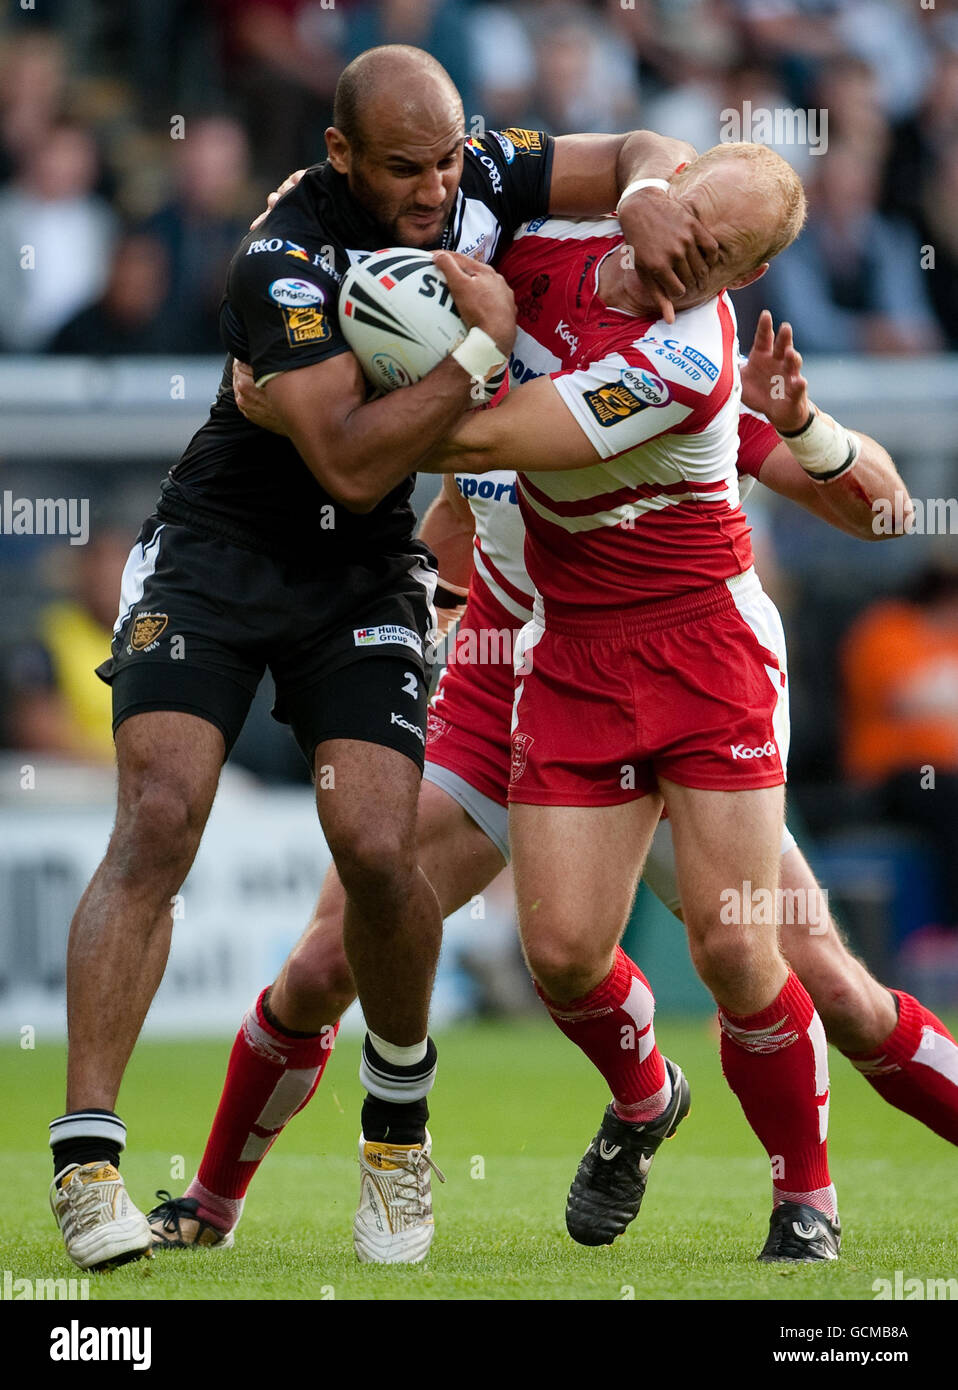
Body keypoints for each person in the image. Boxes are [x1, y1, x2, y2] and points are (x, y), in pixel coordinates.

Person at [166, 142, 949, 1263]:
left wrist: (302, 404)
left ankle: (803, 1200)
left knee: (812, 977)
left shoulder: (685, 363)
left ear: (737, 276)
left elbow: (881, 514)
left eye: (711, 246)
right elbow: (459, 503)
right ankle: (213, 1200)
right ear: (658, 188)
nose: (681, 245)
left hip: (689, 666)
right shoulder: (533, 255)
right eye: (675, 209)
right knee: (344, 947)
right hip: (521, 668)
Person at [48, 42, 721, 1272]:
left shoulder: (478, 173)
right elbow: (352, 461)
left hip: (358, 571)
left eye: (447, 158)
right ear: (341, 155)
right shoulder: (278, 257)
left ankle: (397, 1132)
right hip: (221, 546)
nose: (434, 189)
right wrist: (481, 348)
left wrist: (645, 196)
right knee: (159, 811)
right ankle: (88, 1158)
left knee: (373, 842)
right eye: (403, 168)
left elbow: (631, 151)